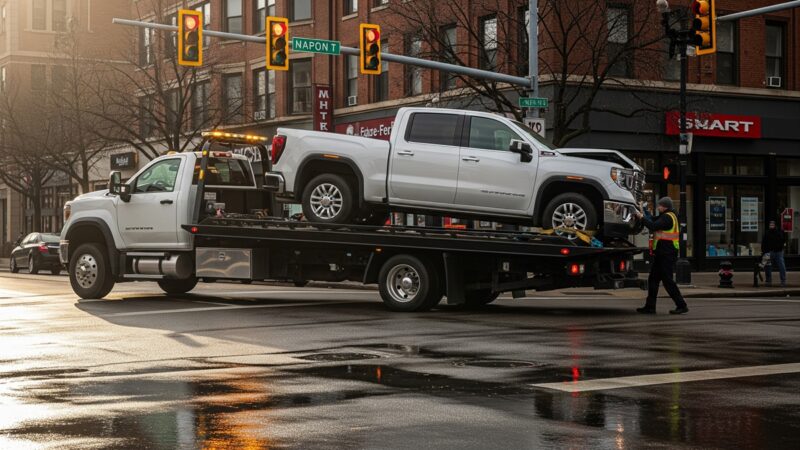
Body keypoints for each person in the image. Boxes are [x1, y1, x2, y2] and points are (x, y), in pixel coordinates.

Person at [633, 197, 689, 315]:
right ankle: (650, 307)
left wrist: (641, 217)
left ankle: (681, 305)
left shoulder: (667, 217)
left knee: (668, 280)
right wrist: (644, 211)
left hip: (666, 254)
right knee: (653, 279)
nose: (658, 207)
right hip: (662, 253)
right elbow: (652, 219)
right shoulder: (667, 215)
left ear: (665, 206)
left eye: (659, 206)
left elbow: (653, 226)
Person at [761, 219, 787, 287]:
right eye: (770, 225)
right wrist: (764, 251)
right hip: (769, 252)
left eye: (772, 225)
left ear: (775, 225)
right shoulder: (767, 233)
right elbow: (764, 242)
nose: (771, 226)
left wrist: (781, 247)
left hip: (778, 252)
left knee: (781, 266)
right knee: (768, 267)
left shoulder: (780, 232)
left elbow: (783, 240)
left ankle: (783, 281)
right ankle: (768, 281)